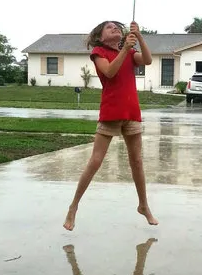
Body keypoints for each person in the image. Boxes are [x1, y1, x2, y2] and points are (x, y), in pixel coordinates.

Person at [63, 21, 158, 231]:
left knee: (137, 161)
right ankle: (73, 206)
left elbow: (148, 60)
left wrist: (139, 36)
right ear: (100, 36)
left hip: (132, 112)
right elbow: (110, 73)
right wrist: (125, 49)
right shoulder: (99, 52)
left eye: (117, 26)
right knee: (95, 161)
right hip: (111, 113)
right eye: (109, 27)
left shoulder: (130, 52)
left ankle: (143, 205)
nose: (115, 28)